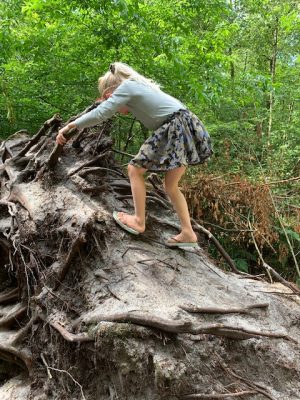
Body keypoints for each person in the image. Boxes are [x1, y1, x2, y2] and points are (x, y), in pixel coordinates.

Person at [56, 62, 213, 248]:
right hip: (188, 125)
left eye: (109, 97)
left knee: (134, 169)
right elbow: (116, 108)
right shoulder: (141, 86)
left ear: (113, 89)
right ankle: (188, 232)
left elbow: (101, 114)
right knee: (171, 185)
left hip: (175, 126)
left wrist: (71, 125)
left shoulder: (128, 87)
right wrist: (109, 101)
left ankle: (139, 221)